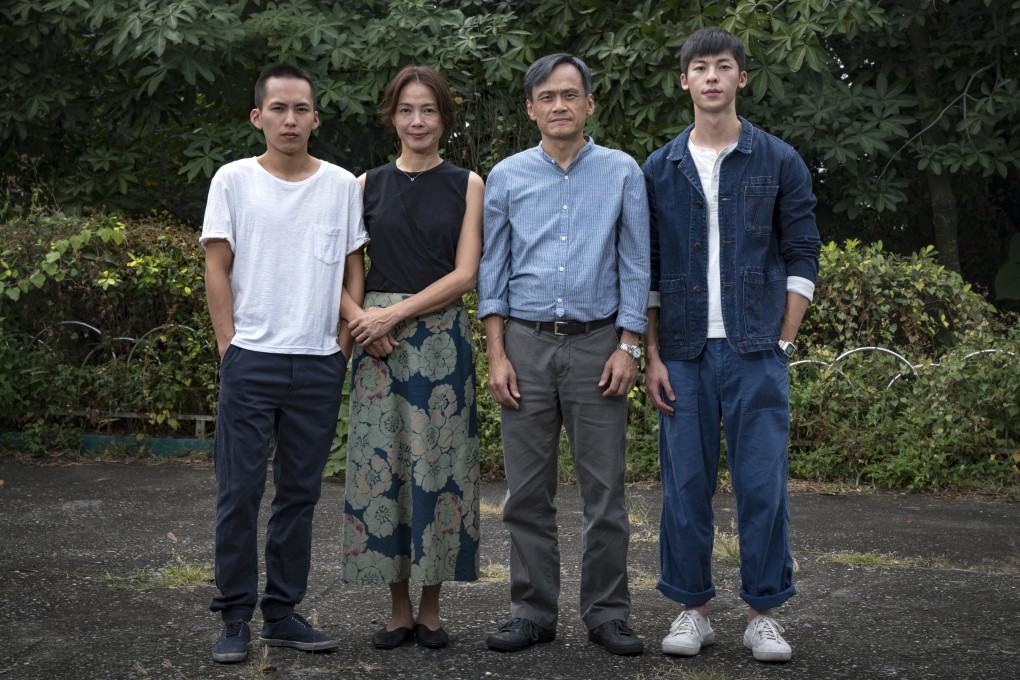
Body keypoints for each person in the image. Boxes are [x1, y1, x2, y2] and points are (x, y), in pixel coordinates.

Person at [642, 27, 822, 663]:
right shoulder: (659, 168)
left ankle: (763, 612)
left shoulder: (778, 160)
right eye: (700, 67)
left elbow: (802, 249)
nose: (712, 76)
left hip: (755, 351)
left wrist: (785, 334)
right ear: (684, 81)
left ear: (741, 79)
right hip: (684, 353)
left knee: (762, 486)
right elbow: (652, 267)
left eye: (724, 67)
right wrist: (652, 355)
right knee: (685, 486)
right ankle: (691, 609)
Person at [477, 53, 649, 656]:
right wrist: (496, 353)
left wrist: (630, 345)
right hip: (523, 343)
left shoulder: (623, 172)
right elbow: (491, 273)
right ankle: (531, 610)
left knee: (605, 493)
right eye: (547, 97)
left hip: (599, 344)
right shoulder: (507, 176)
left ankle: (607, 613)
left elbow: (635, 264)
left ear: (589, 104)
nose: (559, 106)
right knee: (526, 492)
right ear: (531, 108)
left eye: (570, 95)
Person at [201, 64, 368, 664]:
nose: (290, 119)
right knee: (239, 492)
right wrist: (230, 346)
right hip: (252, 360)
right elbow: (217, 265)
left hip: (319, 363)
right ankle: (234, 615)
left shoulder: (343, 184)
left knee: (299, 495)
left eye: (301, 109)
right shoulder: (233, 180)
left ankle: (282, 612)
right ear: (259, 117)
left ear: (316, 118)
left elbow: (353, 270)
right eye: (278, 108)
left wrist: (341, 347)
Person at [339, 65, 484, 651]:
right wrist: (360, 321)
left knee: (438, 473)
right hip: (377, 348)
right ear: (391, 116)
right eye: (406, 110)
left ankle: (430, 609)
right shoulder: (363, 184)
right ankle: (397, 610)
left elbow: (466, 273)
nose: (417, 120)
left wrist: (392, 315)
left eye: (428, 110)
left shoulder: (468, 183)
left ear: (444, 117)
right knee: (386, 471)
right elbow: (343, 272)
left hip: (441, 339)